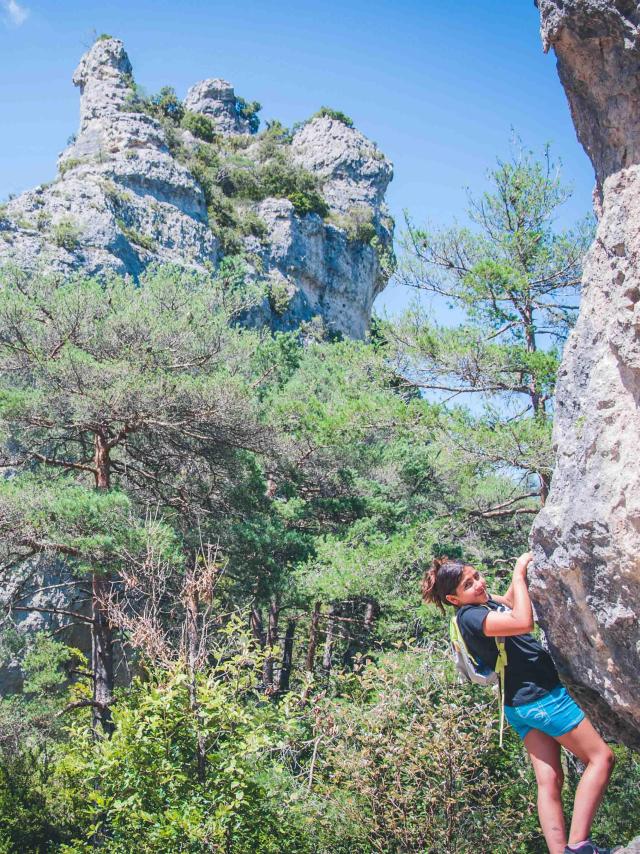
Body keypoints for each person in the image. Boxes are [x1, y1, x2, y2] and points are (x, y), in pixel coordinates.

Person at [421, 552, 619, 854]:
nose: (479, 584)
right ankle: (579, 847)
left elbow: (512, 601)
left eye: (477, 576)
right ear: (453, 598)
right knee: (601, 758)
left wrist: (522, 571)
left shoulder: (480, 604)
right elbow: (523, 621)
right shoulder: (471, 617)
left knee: (550, 780)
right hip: (542, 697)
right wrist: (516, 572)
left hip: (519, 705)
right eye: (468, 584)